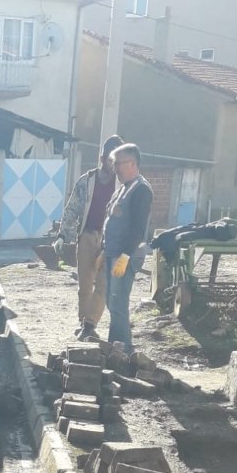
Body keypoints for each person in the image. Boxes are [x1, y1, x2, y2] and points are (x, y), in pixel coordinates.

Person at [54, 133, 124, 341]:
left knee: (103, 284)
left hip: (110, 241)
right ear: (102, 159)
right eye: (111, 161)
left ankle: (90, 324)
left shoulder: (122, 186)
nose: (114, 166)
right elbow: (72, 208)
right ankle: (83, 322)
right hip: (86, 236)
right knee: (84, 285)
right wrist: (62, 235)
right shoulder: (87, 181)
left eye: (118, 162)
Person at [102, 143, 154, 354]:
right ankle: (117, 346)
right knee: (111, 301)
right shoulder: (123, 188)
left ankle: (122, 350)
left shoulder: (141, 190)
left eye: (118, 164)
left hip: (125, 256)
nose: (115, 169)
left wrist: (124, 256)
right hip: (112, 253)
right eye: (114, 164)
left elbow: (138, 230)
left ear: (132, 163)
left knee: (118, 303)